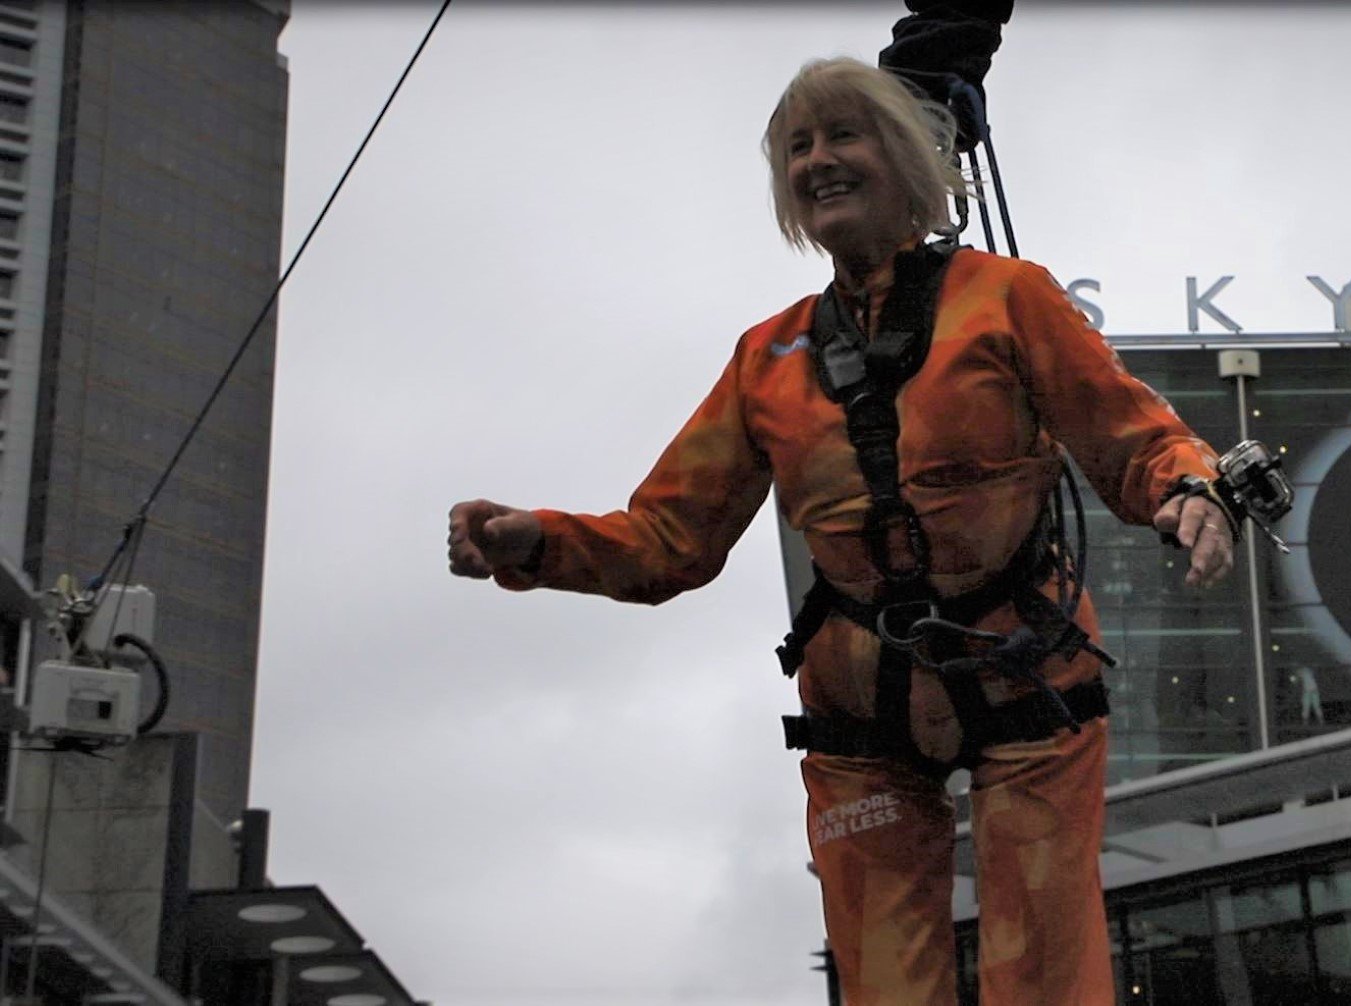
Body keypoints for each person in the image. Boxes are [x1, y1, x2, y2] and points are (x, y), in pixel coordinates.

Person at [445, 57, 1235, 1006]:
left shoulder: (1007, 298)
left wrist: (1190, 489)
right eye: (797, 146)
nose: (816, 161)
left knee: (1045, 980)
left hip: (1027, 678)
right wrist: (537, 543)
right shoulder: (767, 357)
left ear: (903, 156)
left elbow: (1133, 436)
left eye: (842, 136)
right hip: (860, 713)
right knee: (885, 989)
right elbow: (669, 541)